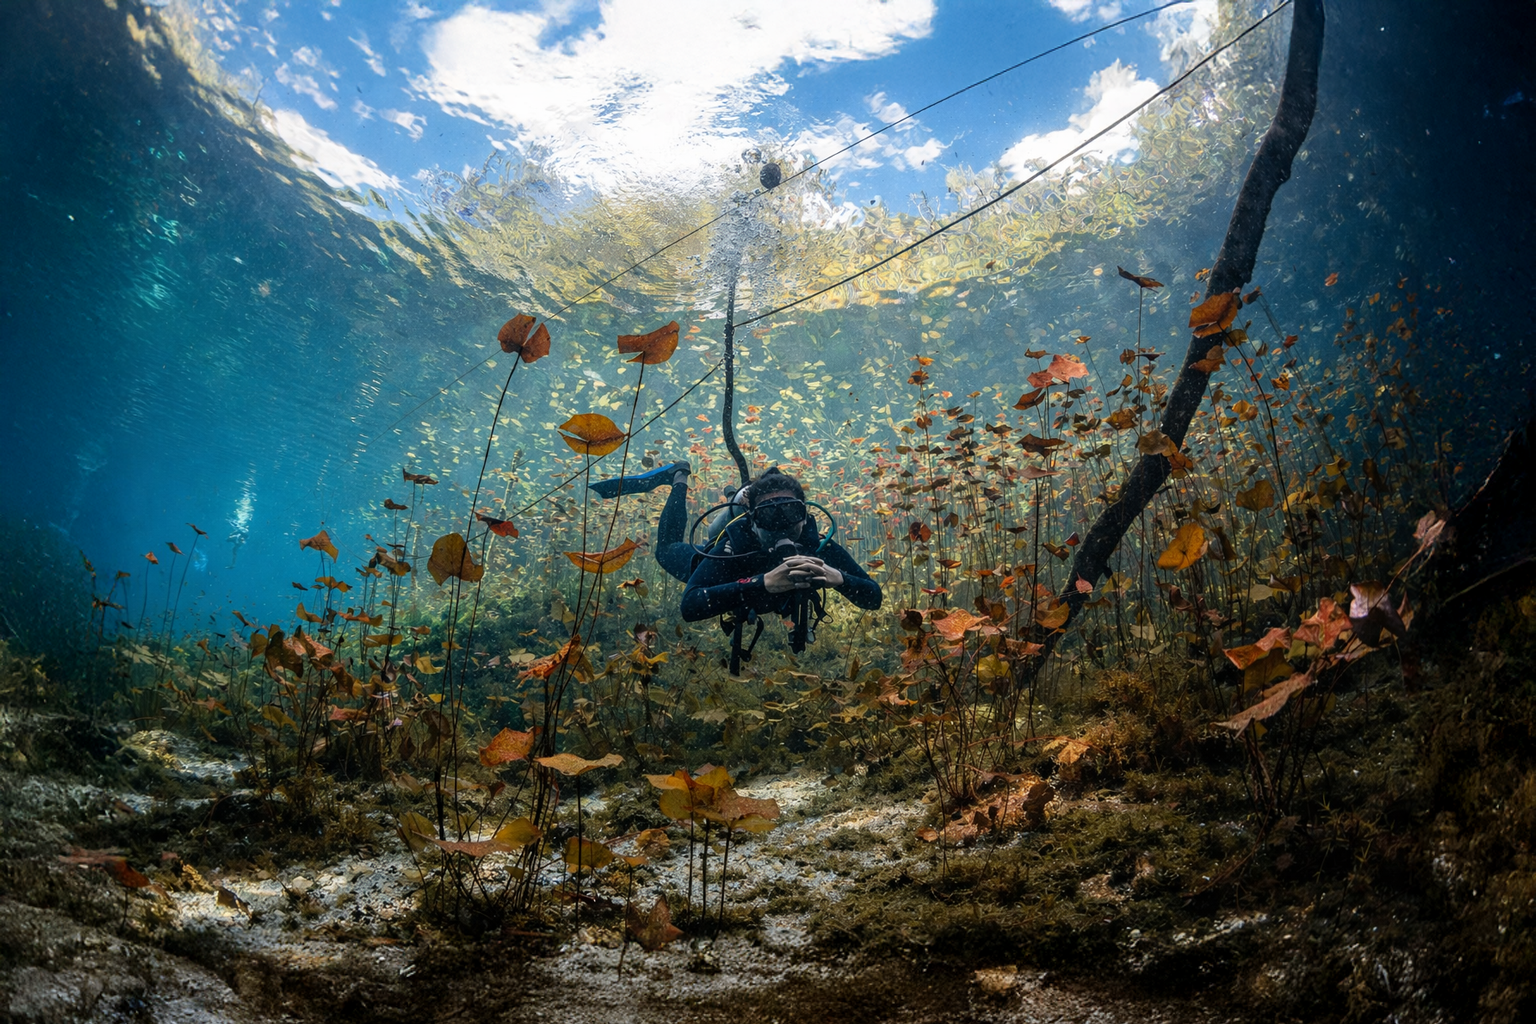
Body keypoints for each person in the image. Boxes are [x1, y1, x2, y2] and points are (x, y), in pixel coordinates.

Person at [679, 467, 882, 626]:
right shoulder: (734, 548)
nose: (780, 523)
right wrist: (762, 582)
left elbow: (874, 598)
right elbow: (690, 605)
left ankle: (736, 493)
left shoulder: (817, 546)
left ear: (804, 517)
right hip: (725, 569)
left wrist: (840, 578)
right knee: (665, 550)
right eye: (768, 513)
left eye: (790, 511)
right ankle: (678, 479)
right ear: (752, 522)